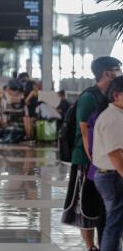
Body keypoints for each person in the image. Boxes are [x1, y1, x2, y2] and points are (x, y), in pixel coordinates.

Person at [62, 56, 122, 251]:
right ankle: (91, 247)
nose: (119, 72)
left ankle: (105, 243)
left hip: (104, 159)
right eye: (117, 69)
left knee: (104, 208)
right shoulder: (89, 96)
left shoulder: (110, 95)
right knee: (85, 204)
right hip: (87, 159)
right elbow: (86, 132)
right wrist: (95, 161)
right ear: (107, 73)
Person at [92, 76, 123, 251]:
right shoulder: (114, 118)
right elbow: (115, 154)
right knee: (115, 224)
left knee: (116, 222)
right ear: (117, 95)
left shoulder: (116, 115)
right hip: (114, 176)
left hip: (111, 175)